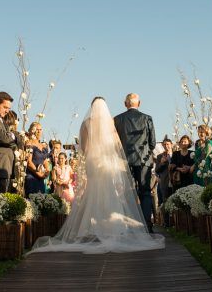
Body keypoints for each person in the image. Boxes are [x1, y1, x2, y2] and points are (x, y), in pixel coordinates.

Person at [31, 97, 164, 253]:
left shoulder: (86, 123)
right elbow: (116, 145)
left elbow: (83, 147)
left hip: (92, 161)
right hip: (106, 162)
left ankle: (88, 227)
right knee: (109, 191)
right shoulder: (110, 123)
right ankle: (111, 226)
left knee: (93, 190)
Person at [114, 93, 157, 232]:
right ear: (139, 103)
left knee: (126, 192)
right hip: (143, 160)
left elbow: (114, 143)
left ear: (125, 104)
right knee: (145, 192)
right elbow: (152, 142)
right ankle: (147, 224)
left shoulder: (117, 119)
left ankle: (129, 225)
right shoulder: (147, 118)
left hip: (124, 160)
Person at [25, 122, 50, 196]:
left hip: (41, 178)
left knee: (41, 199)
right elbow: (29, 162)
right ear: (32, 131)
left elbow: (45, 161)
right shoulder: (29, 144)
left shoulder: (43, 146)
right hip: (32, 177)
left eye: (40, 129)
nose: (39, 131)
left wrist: (47, 171)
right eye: (37, 129)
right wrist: (39, 173)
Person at [154, 137, 172, 205]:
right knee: (165, 202)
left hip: (175, 181)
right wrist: (161, 163)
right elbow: (157, 170)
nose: (166, 146)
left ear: (171, 145)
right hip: (165, 182)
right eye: (164, 144)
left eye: (167, 144)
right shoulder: (159, 156)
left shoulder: (176, 154)